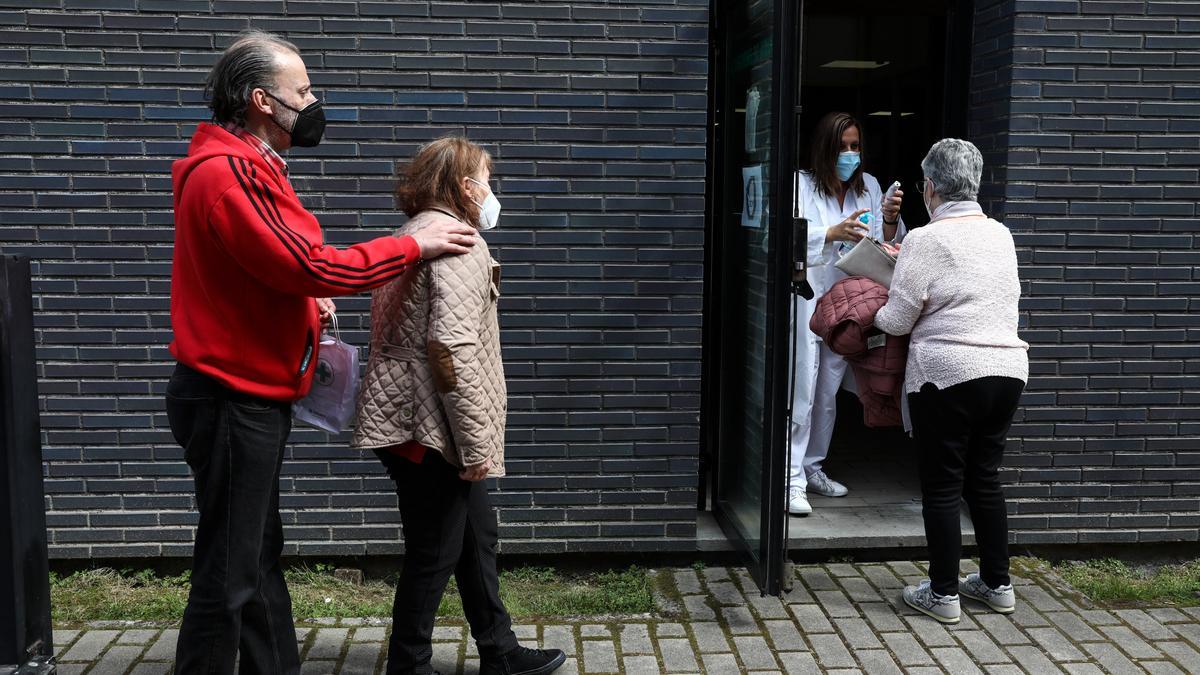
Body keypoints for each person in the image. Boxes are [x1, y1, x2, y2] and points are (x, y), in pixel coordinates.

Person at [167, 31, 477, 673]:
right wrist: (414, 248)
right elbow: (309, 262)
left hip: (245, 395)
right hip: (231, 399)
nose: (313, 102)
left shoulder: (249, 169)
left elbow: (262, 273)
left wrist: (304, 305)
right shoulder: (228, 176)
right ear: (261, 101)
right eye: (302, 91)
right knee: (228, 570)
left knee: (253, 557)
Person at [352, 137, 565, 675]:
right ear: (466, 187)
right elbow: (450, 350)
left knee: (475, 535)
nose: (491, 191)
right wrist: (474, 446)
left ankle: (500, 650)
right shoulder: (459, 243)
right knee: (435, 551)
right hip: (432, 428)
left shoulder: (410, 234)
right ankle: (409, 663)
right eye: (487, 180)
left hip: (406, 416)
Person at [874, 138, 1029, 624]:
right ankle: (997, 583)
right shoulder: (1001, 234)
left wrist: (866, 307)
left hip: (948, 374)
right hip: (1006, 371)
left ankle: (943, 594)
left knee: (942, 487)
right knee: (984, 481)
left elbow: (898, 320)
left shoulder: (924, 239)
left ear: (931, 186)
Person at [788, 112, 906, 516]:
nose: (850, 154)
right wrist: (830, 235)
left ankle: (812, 468)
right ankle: (790, 479)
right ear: (825, 148)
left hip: (848, 302)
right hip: (806, 299)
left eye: (856, 147)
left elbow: (885, 245)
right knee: (801, 386)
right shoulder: (800, 186)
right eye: (843, 147)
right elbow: (783, 237)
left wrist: (889, 219)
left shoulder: (868, 187)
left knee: (828, 392)